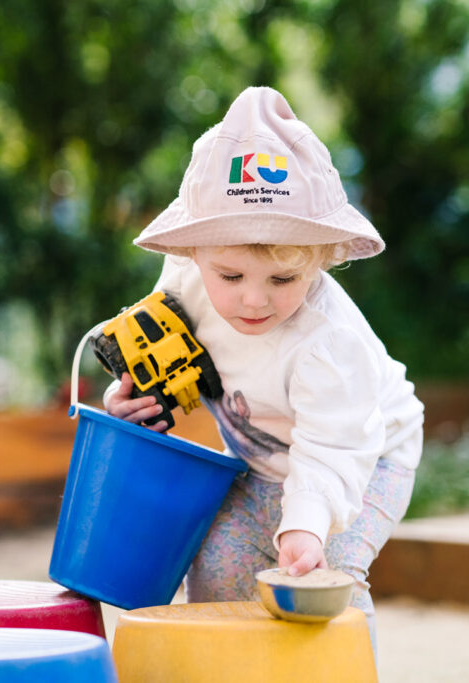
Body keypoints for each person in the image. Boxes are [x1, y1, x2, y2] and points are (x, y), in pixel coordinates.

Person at [102, 86, 424, 646]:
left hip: (363, 457)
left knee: (323, 581)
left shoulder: (328, 341)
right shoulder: (182, 286)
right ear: (192, 253)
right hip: (257, 456)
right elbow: (161, 365)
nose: (254, 301)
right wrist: (128, 397)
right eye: (230, 277)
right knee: (215, 573)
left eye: (282, 280)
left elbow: (334, 446)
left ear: (321, 261)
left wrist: (304, 525)